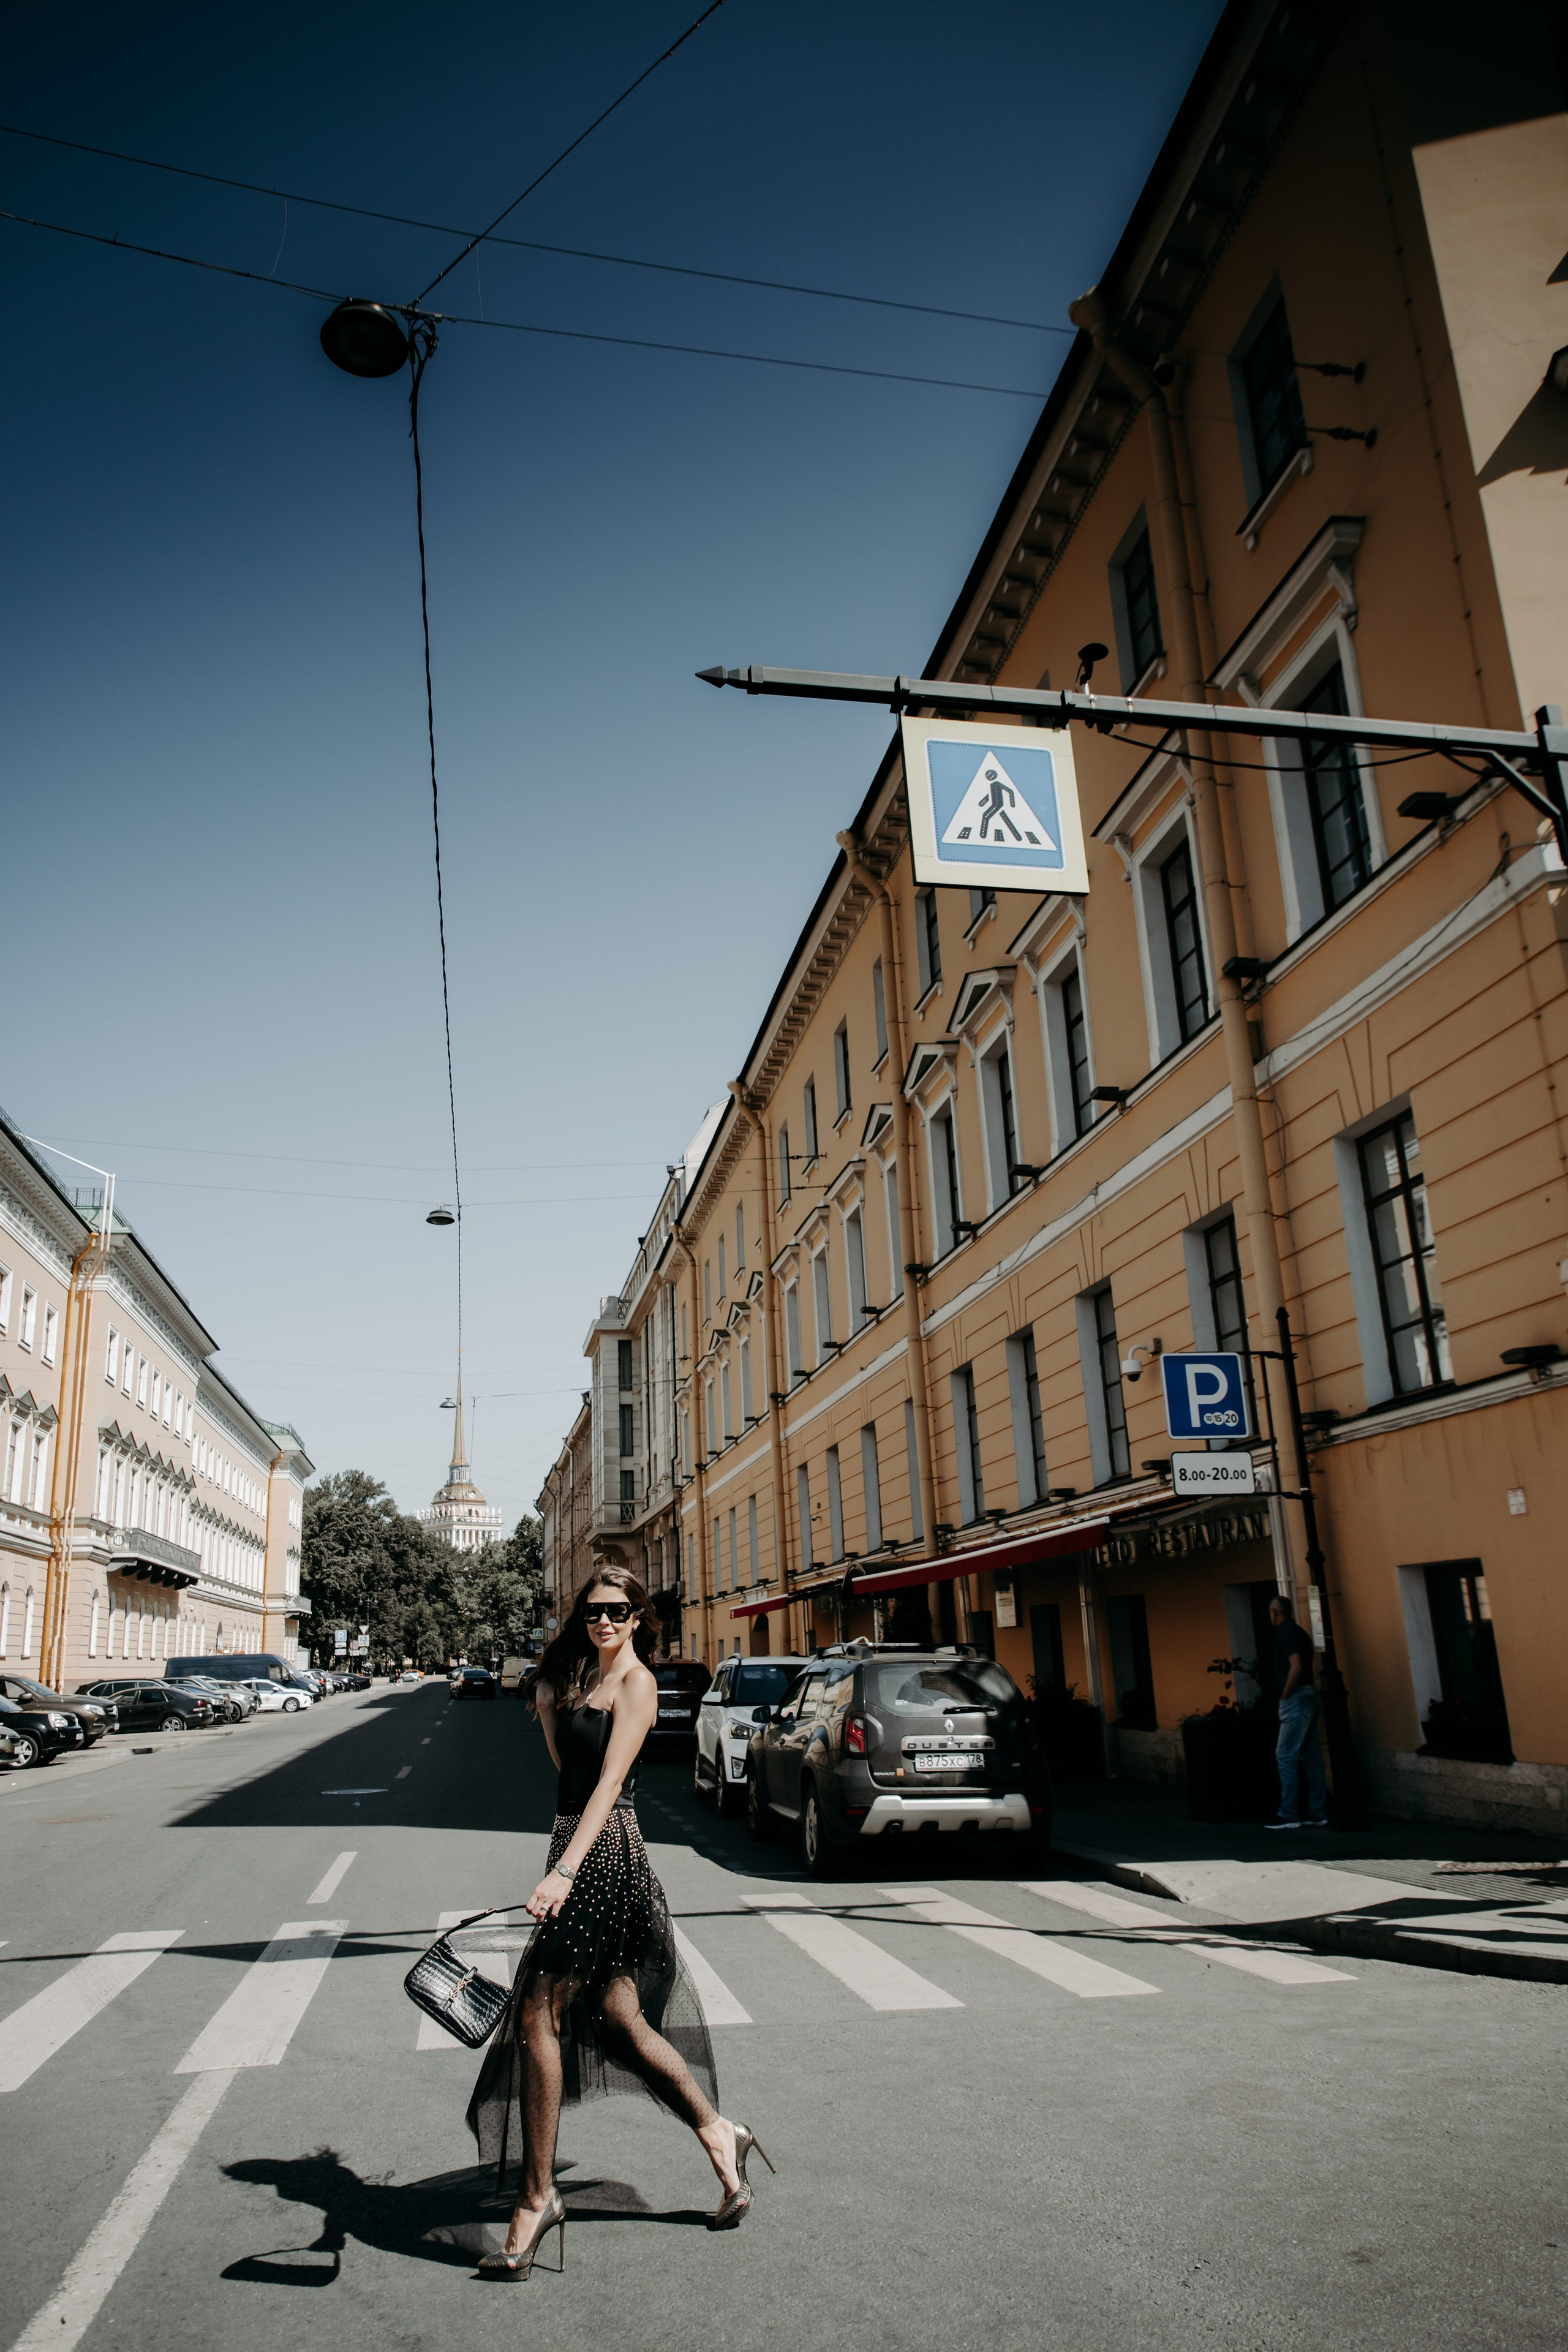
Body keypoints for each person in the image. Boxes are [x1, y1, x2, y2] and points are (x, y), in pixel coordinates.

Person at [467, 1566, 772, 2278]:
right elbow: (567, 1772)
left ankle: (537, 2196)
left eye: (617, 1611)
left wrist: (564, 1872)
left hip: (604, 1857)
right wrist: (548, 1707)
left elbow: (608, 1787)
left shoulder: (637, 1684)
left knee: (537, 2012)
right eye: (594, 1611)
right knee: (621, 2020)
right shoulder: (579, 1679)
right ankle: (722, 2135)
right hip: (573, 1841)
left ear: (638, 1619)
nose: (603, 1621)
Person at [1267, 1592, 1329, 1829]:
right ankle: (1318, 1812)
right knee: (1311, 1756)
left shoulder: (1286, 1634)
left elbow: (1296, 1667)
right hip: (1309, 1696)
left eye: (1271, 1613)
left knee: (1285, 1755)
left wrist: (1285, 1695)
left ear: (1275, 1613)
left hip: (1296, 1698)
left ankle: (1289, 1813)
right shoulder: (1301, 1632)